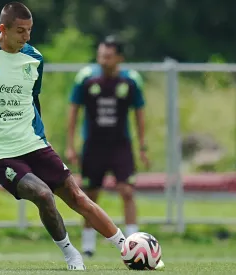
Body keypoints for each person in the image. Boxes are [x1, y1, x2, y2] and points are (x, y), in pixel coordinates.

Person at [0, 2, 164, 271]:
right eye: (21, 31)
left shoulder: (34, 58)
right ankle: (72, 255)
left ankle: (126, 247)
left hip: (34, 144)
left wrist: (42, 139)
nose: (27, 37)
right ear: (4, 29)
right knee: (44, 195)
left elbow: (32, 101)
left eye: (30, 30)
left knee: (77, 196)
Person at [66, 36, 149, 257]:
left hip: (120, 144)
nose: (103, 60)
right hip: (93, 145)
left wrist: (142, 145)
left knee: (127, 191)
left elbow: (139, 113)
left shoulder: (131, 81)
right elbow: (73, 110)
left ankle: (134, 243)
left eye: (108, 56)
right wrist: (71, 145)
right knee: (90, 194)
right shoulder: (86, 78)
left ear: (119, 58)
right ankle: (88, 245)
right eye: (101, 55)